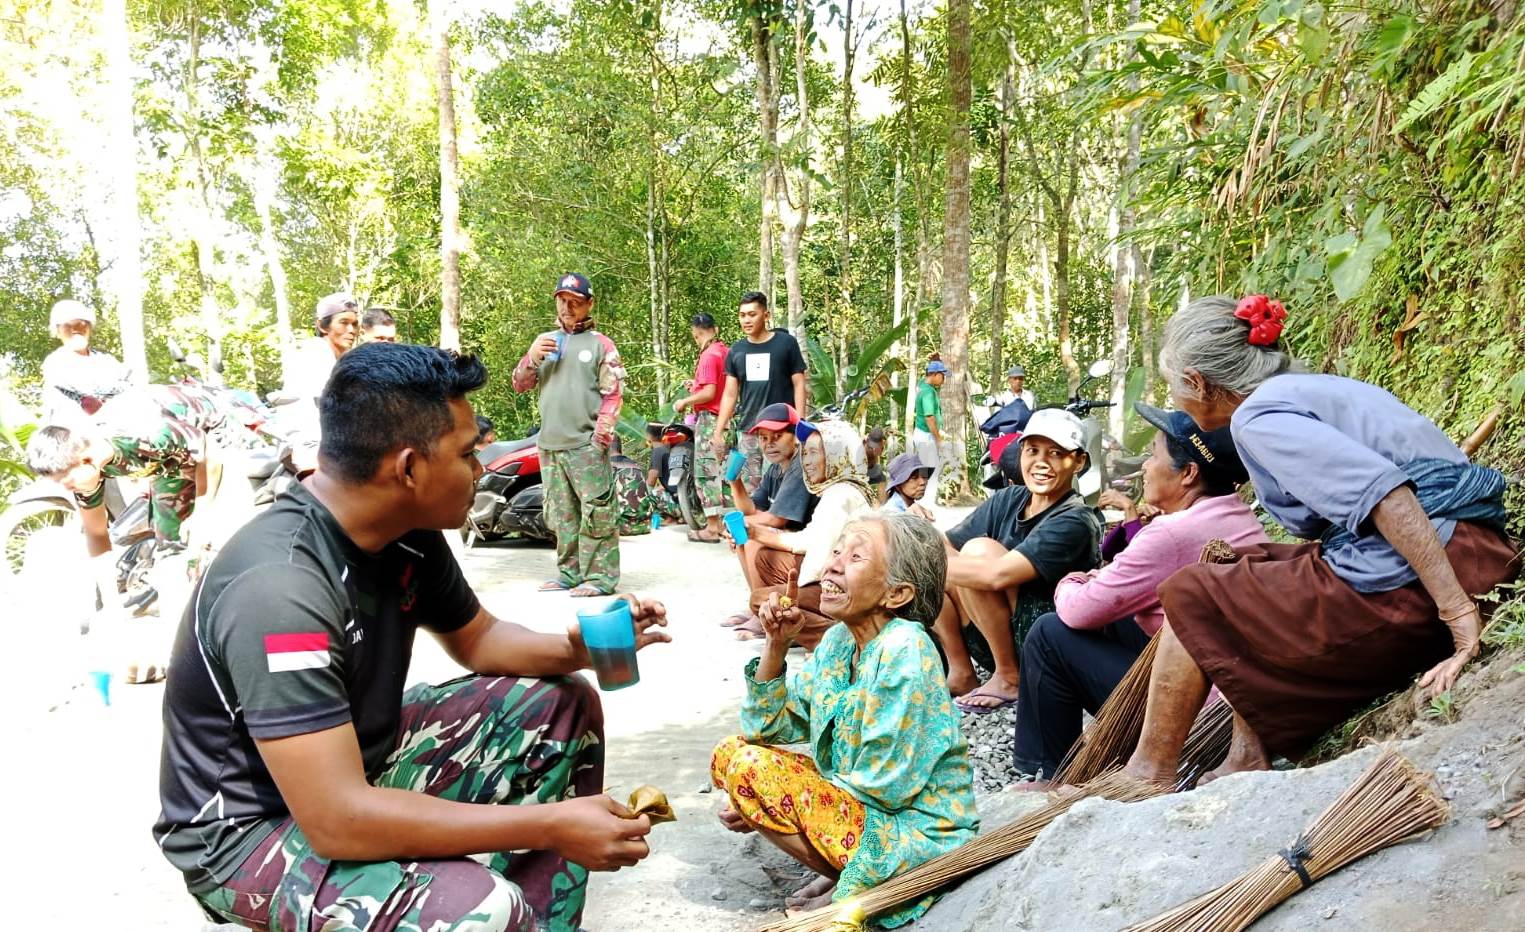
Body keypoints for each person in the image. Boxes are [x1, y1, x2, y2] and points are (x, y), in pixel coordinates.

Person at [154, 343, 669, 932]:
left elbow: (480, 639)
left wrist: (579, 648)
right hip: (250, 831)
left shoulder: (407, 532)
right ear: (407, 468)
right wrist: (552, 824)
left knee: (557, 703)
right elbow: (338, 820)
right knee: (478, 910)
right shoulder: (280, 589)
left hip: (355, 766)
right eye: (468, 453)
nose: (479, 470)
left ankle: (537, 922)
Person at [1104, 295, 1521, 790]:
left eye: (1174, 386)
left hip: (1437, 574)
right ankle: (1245, 756)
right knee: (1246, 567)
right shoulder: (1312, 388)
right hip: (1477, 550)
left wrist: (1457, 614)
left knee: (1193, 590)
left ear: (1198, 382)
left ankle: (1148, 772)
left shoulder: (1259, 418)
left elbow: (1388, 496)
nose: (1177, 400)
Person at [711, 512, 978, 924]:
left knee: (752, 771)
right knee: (731, 755)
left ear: (896, 594)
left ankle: (855, 879)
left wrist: (786, 799)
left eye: (855, 557)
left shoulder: (905, 649)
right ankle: (841, 869)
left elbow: (885, 786)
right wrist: (777, 645)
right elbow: (764, 728)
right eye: (836, 551)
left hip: (916, 833)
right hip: (867, 812)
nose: (832, 564)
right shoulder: (839, 640)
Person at [1012, 403, 1267, 782]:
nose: (1145, 465)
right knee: (1116, 620)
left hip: (1198, 715)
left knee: (1050, 633)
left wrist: (1070, 580)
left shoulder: (1172, 533)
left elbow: (1077, 611)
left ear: (1189, 474)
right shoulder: (1235, 513)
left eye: (1153, 455)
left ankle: (1048, 772)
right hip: (1234, 697)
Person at [27, 383, 230, 645]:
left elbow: (208, 454)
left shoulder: (146, 435)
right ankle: (185, 639)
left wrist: (203, 512)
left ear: (87, 460)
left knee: (214, 533)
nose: (69, 489)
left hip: (213, 428)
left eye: (68, 482)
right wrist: (112, 606)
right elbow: (98, 535)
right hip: (169, 465)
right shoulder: (84, 472)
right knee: (171, 549)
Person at [933, 408, 1104, 712]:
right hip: (996, 634)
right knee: (941, 564)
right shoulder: (1009, 498)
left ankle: (1009, 677)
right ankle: (962, 672)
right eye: (1032, 450)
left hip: (1043, 644)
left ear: (1078, 461)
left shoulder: (1076, 520)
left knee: (976, 554)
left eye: (1055, 453)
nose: (1041, 462)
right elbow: (944, 545)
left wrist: (917, 561)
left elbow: (995, 576)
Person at [512, 272, 626, 598]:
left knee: (596, 511)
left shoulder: (600, 344)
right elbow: (520, 384)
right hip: (550, 445)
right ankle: (569, 573)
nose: (567, 307)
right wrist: (531, 357)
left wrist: (599, 438)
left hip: (586, 444)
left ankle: (600, 578)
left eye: (575, 302)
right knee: (560, 514)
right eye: (562, 300)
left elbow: (613, 394)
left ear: (589, 304)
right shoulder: (544, 342)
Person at [730, 420, 877, 648]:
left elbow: (818, 562)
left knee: (762, 601)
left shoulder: (838, 495)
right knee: (765, 559)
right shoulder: (841, 489)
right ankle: (814, 626)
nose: (807, 461)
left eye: (815, 453)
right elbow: (809, 539)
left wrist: (795, 596)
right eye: (805, 453)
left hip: (842, 587)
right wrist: (757, 533)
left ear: (838, 454)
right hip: (844, 583)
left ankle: (834, 641)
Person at [719, 403, 819, 620]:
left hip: (813, 557)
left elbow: (776, 519)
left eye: (778, 435)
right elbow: (753, 509)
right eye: (764, 438)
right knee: (741, 534)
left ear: (795, 437)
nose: (769, 443)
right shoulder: (775, 469)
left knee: (755, 537)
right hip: (791, 550)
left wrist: (745, 523)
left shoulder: (800, 466)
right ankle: (756, 603)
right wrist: (734, 481)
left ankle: (763, 612)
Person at [711, 291, 807, 495]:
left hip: (782, 429)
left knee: (784, 484)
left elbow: (799, 383)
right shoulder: (736, 350)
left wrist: (801, 424)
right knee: (752, 489)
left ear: (766, 315)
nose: (746, 319)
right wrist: (718, 432)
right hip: (750, 431)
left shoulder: (785, 343)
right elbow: (730, 394)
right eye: (742, 315)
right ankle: (755, 525)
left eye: (752, 314)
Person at [274, 292, 362, 474]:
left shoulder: (341, 360)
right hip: (306, 446)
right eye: (344, 323)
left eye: (354, 324)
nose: (351, 330)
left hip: (330, 445)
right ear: (323, 326)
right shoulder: (315, 355)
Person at [673, 312, 730, 542]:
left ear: (697, 333)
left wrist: (684, 401)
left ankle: (712, 527)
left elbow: (710, 392)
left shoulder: (708, 355)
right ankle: (726, 523)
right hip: (727, 418)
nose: (697, 340)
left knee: (706, 473)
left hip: (710, 420)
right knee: (725, 472)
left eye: (696, 337)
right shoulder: (725, 352)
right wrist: (695, 387)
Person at [40, 298, 133, 426]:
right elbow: (89, 389)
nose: (75, 329)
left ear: (89, 327)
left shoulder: (106, 360)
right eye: (68, 325)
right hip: (69, 436)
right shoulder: (55, 362)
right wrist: (115, 389)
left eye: (81, 324)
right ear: (58, 330)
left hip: (111, 430)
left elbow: (132, 385)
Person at [912, 357, 948, 504]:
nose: (944, 379)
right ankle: (926, 503)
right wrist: (938, 439)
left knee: (925, 469)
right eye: (942, 375)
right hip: (927, 435)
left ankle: (924, 502)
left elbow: (923, 379)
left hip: (922, 434)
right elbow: (929, 418)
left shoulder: (923, 386)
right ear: (934, 375)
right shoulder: (927, 393)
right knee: (930, 471)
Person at [882, 452, 935, 519]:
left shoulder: (910, 507)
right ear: (898, 485)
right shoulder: (893, 514)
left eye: (924, 476)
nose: (922, 482)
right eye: (914, 477)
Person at [864, 427, 887, 500]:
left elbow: (877, 457)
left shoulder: (881, 444)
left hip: (872, 470)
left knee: (882, 479)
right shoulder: (861, 443)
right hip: (859, 470)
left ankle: (882, 507)